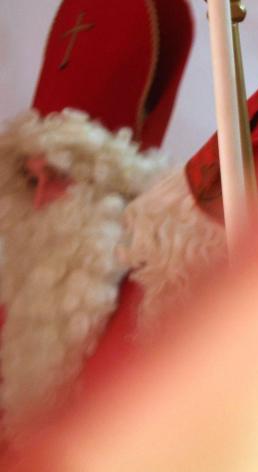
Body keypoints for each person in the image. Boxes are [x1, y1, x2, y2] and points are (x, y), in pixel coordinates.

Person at [0, 0, 193, 441]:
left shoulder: (157, 309)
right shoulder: (18, 290)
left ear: (119, 188)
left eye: (61, 177)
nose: (41, 199)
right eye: (32, 179)